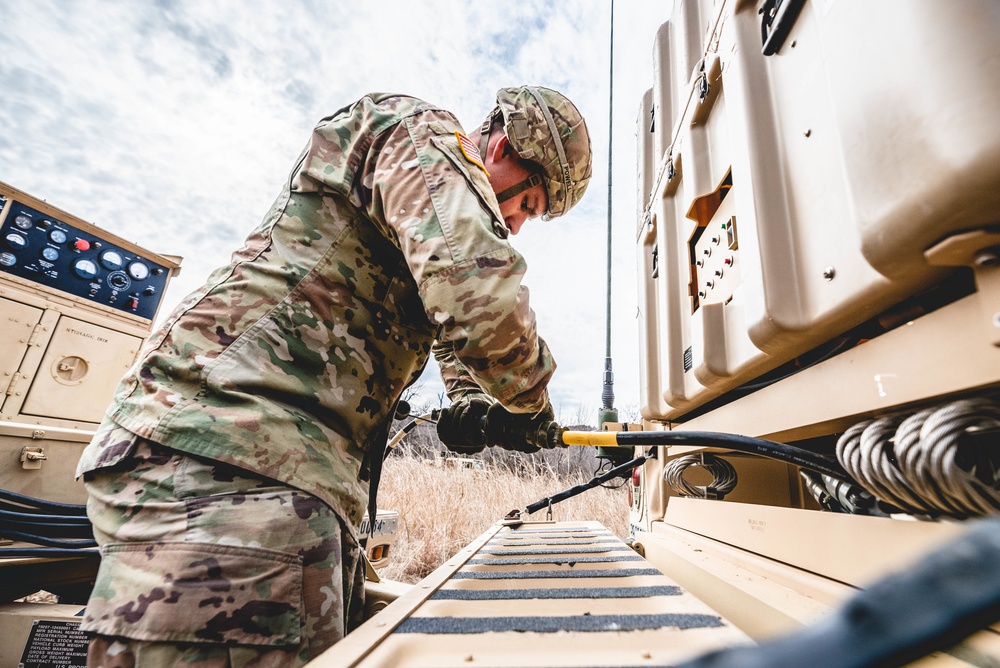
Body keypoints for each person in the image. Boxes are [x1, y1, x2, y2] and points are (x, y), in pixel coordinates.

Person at [77, 86, 591, 667]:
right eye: (526, 205)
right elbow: (474, 292)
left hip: (281, 474)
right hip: (232, 458)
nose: (517, 226)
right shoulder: (417, 133)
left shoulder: (421, 219)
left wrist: (481, 410)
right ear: (503, 147)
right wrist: (533, 403)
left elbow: (455, 337)